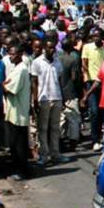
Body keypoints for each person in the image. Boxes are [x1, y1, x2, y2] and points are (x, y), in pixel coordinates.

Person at [31, 38, 66, 166]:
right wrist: (35, 100)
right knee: (43, 128)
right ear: (44, 48)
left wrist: (63, 97)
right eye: (49, 48)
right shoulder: (37, 62)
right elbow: (34, 82)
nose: (52, 50)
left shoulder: (58, 62)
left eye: (53, 48)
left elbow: (60, 81)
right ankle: (44, 155)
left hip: (57, 97)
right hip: (43, 99)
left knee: (55, 128)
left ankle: (56, 154)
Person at [2, 44, 32, 181]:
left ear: (20, 54)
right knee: (15, 143)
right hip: (14, 110)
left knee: (18, 144)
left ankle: (22, 171)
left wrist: (3, 85)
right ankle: (19, 169)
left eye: (13, 54)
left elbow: (9, 88)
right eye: (9, 54)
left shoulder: (21, 70)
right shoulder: (17, 69)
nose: (10, 57)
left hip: (18, 113)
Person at [81, 30, 104, 151]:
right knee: (94, 111)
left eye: (98, 36)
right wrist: (87, 79)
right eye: (94, 36)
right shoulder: (87, 47)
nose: (96, 38)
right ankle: (95, 139)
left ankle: (102, 135)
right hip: (91, 82)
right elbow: (84, 64)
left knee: (102, 111)